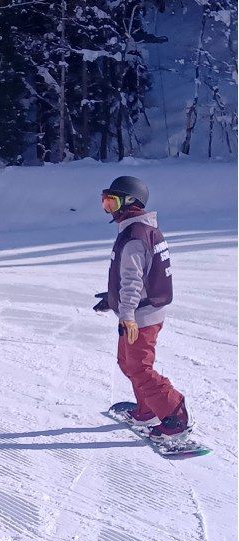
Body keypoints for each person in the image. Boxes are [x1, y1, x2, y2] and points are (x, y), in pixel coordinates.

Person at [93, 175, 192, 442]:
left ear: (130, 203)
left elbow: (133, 281)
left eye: (111, 202)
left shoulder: (135, 236)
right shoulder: (139, 230)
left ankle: (175, 417)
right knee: (127, 363)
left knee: (140, 368)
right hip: (138, 311)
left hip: (141, 317)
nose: (108, 209)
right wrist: (112, 300)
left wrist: (127, 315)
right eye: (105, 203)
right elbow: (140, 277)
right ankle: (147, 410)